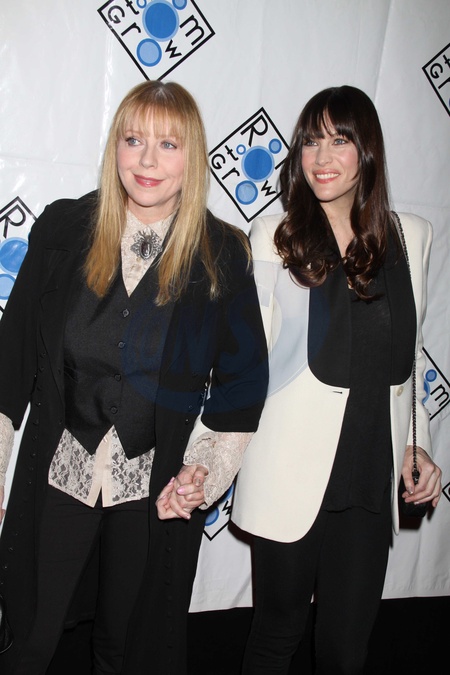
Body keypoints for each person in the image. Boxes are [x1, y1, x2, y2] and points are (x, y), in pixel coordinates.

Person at [0, 80, 268, 675]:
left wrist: (203, 469)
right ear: (115, 147)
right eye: (133, 140)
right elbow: (10, 357)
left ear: (192, 157)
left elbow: (243, 383)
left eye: (168, 145)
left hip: (154, 489)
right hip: (61, 468)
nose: (147, 160)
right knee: (27, 638)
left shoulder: (222, 253)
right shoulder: (63, 230)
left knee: (127, 649)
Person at [232, 85, 442, 675]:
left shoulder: (413, 236)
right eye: (311, 141)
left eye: (340, 140)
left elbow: (409, 357)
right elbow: (245, 366)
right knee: (276, 635)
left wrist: (417, 446)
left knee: (346, 653)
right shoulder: (273, 239)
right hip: (290, 473)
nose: (322, 157)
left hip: (369, 479)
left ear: (367, 151)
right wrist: (208, 455)